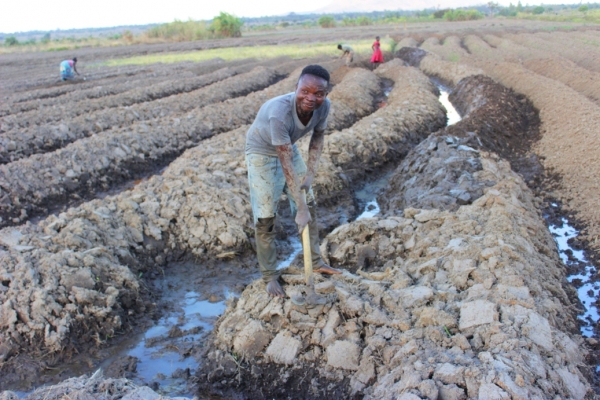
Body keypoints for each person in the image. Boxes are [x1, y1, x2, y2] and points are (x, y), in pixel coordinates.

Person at [245, 64, 342, 298]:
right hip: (262, 152)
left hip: (289, 148)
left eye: (318, 93)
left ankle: (316, 260)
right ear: (295, 87)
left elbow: (318, 137)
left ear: (325, 94)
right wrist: (299, 208)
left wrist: (309, 174)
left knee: (309, 203)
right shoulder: (280, 113)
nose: (311, 98)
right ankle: (269, 275)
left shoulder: (323, 107)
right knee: (266, 214)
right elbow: (285, 162)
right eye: (305, 91)